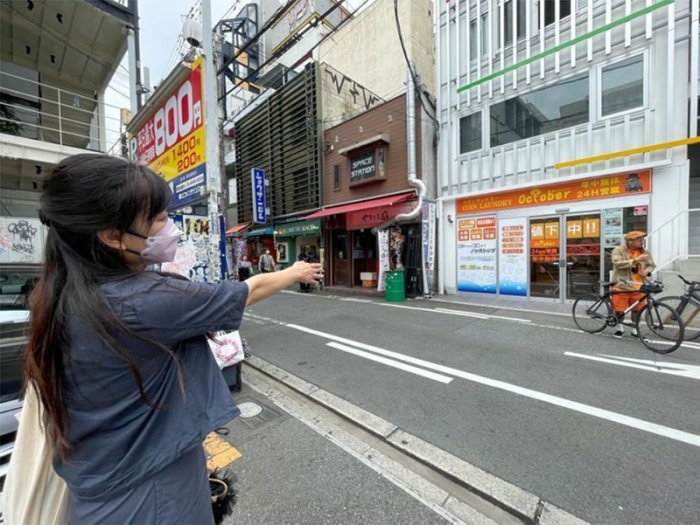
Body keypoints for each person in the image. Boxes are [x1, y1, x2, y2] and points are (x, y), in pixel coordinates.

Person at [22, 154, 323, 524]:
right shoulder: (142, 300)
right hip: (153, 495)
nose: (171, 228)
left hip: (100, 490)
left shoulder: (58, 293)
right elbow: (249, 290)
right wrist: (295, 271)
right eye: (160, 219)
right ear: (112, 236)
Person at [611, 230, 656, 339]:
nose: (642, 242)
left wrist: (647, 271)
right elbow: (617, 263)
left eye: (642, 240)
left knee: (638, 310)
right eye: (639, 240)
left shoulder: (645, 252)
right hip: (622, 285)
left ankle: (635, 331)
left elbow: (651, 265)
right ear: (630, 241)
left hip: (639, 286)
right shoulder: (618, 250)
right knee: (619, 309)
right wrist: (636, 260)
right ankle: (619, 329)